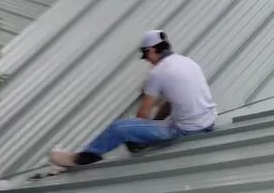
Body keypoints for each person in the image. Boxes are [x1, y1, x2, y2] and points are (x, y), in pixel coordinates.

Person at [50, 31, 217, 168]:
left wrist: (137, 134)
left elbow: (142, 115)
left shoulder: (158, 72)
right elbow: (170, 104)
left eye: (146, 55)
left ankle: (82, 158)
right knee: (160, 116)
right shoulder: (187, 61)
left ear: (152, 50)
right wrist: (155, 123)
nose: (147, 60)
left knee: (119, 128)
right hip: (208, 122)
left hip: (187, 129)